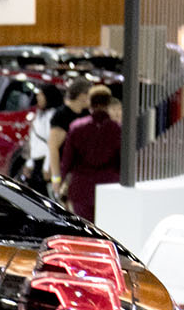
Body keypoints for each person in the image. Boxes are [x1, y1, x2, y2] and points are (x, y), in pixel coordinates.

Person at [60, 84, 124, 221]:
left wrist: (61, 182)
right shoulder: (117, 129)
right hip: (109, 186)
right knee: (106, 229)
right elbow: (121, 161)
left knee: (87, 228)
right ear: (108, 103)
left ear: (90, 103)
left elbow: (67, 160)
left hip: (81, 187)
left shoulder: (77, 127)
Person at [44, 78, 90, 204]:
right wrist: (56, 178)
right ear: (82, 96)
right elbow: (53, 148)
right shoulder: (62, 115)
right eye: (89, 95)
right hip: (65, 171)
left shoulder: (86, 113)